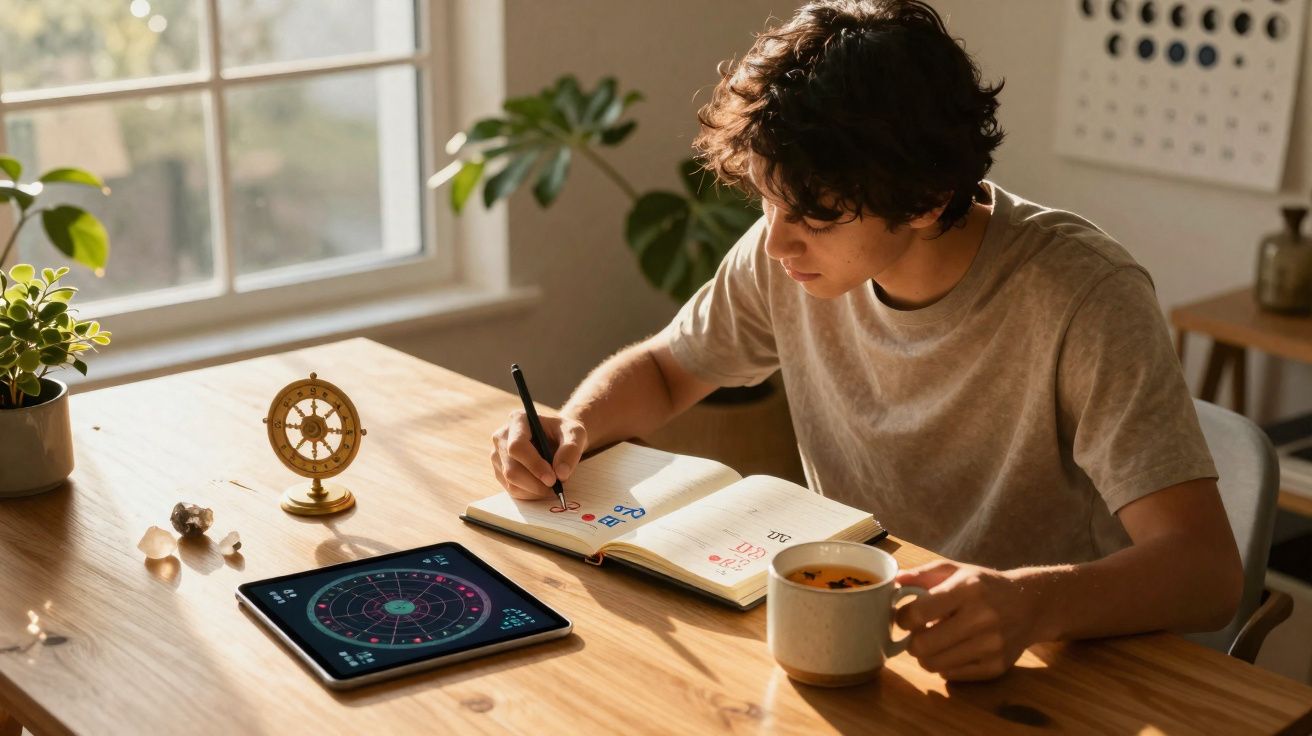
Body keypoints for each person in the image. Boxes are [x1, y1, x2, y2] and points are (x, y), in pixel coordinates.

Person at [489, 0, 1242, 681]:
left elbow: (1206, 573)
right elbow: (665, 369)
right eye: (765, 200)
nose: (776, 242)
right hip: (858, 635)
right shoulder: (781, 249)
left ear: (925, 199)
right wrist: (575, 425)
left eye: (814, 218)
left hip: (1045, 661)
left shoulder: (1084, 296)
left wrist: (1028, 603)